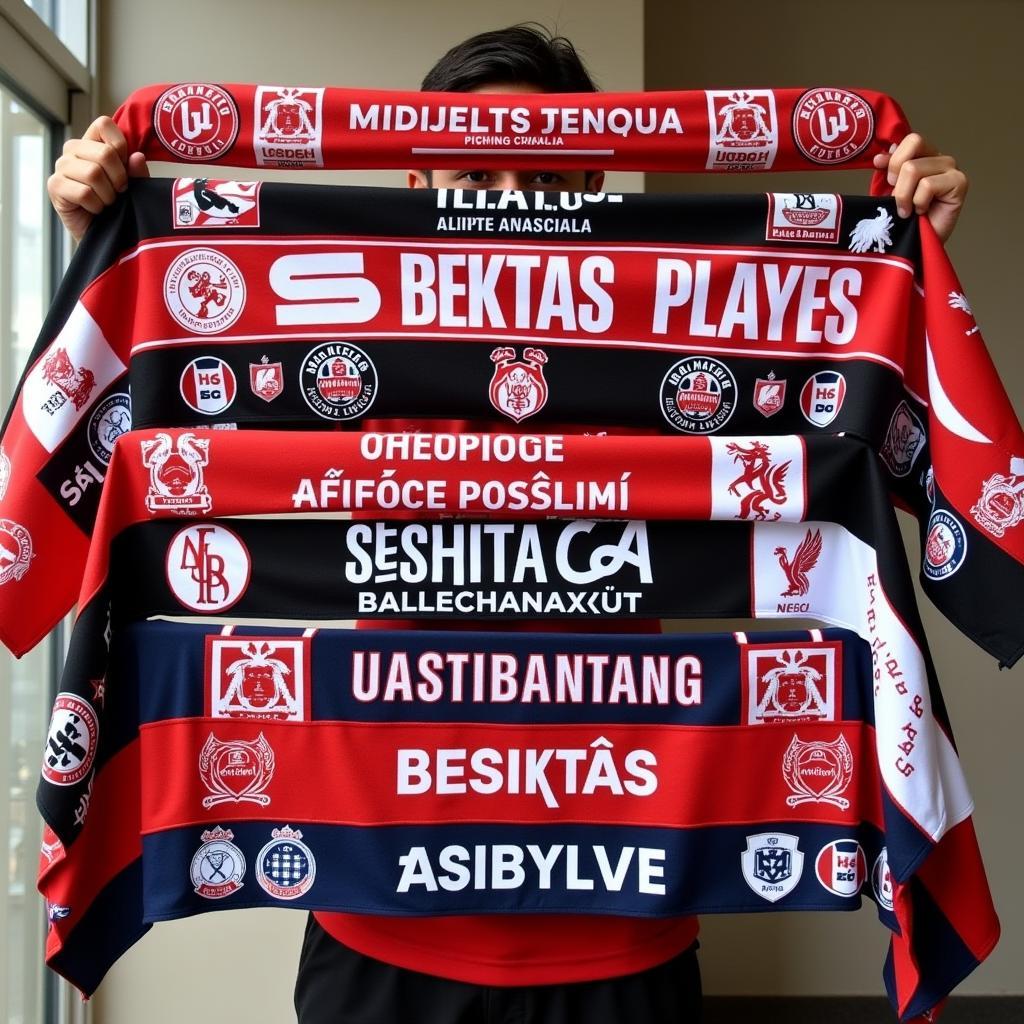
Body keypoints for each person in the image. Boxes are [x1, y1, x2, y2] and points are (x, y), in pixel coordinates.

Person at [45, 24, 970, 1024]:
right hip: (379, 906)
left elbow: (856, 415)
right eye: (476, 171)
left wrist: (897, 260)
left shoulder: (692, 349)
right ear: (416, 190)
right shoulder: (341, 343)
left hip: (623, 912)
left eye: (546, 174)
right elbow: (159, 389)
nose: (511, 202)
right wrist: (102, 232)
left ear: (592, 193)